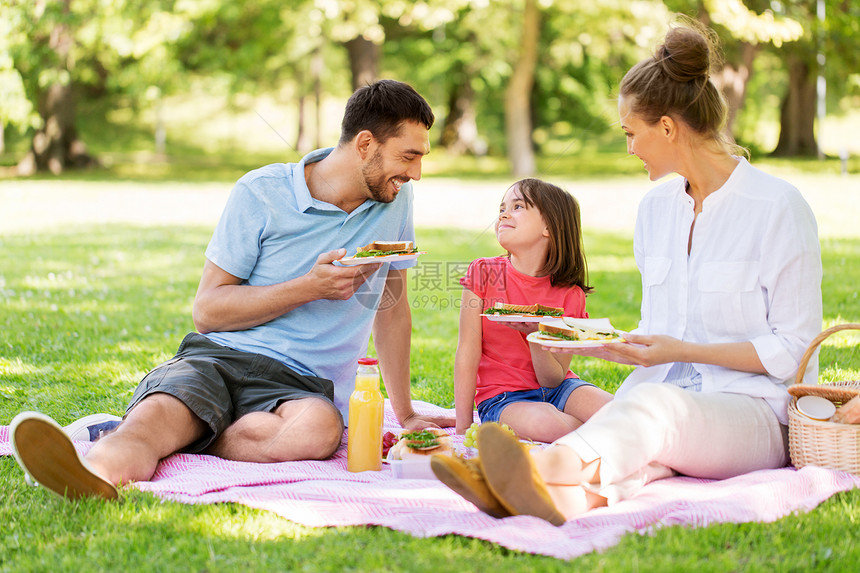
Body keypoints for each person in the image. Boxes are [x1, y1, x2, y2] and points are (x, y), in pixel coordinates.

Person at [433, 21, 822, 524]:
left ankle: (535, 469)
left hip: (751, 410)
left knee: (655, 414)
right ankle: (556, 498)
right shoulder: (657, 208)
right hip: (659, 396)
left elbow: (796, 349)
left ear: (666, 127)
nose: (629, 148)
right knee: (643, 447)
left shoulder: (777, 207)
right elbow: (659, 334)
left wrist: (681, 352)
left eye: (631, 133)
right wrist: (602, 345)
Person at [10, 79, 454, 501]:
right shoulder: (261, 192)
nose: (416, 173)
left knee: (319, 432)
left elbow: (392, 307)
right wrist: (307, 287)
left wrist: (406, 409)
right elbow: (207, 312)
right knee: (148, 429)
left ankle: (188, 430)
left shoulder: (393, 199)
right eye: (408, 157)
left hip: (305, 386)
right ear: (364, 144)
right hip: (218, 358)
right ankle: (92, 474)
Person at [450, 178, 612, 442]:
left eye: (518, 206)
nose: (503, 213)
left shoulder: (571, 295)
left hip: (562, 388)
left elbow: (552, 379)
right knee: (548, 424)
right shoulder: (483, 272)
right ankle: (607, 439)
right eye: (502, 207)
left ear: (549, 226)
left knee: (618, 411)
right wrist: (463, 426)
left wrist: (537, 334)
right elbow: (467, 351)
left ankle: (620, 438)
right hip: (503, 397)